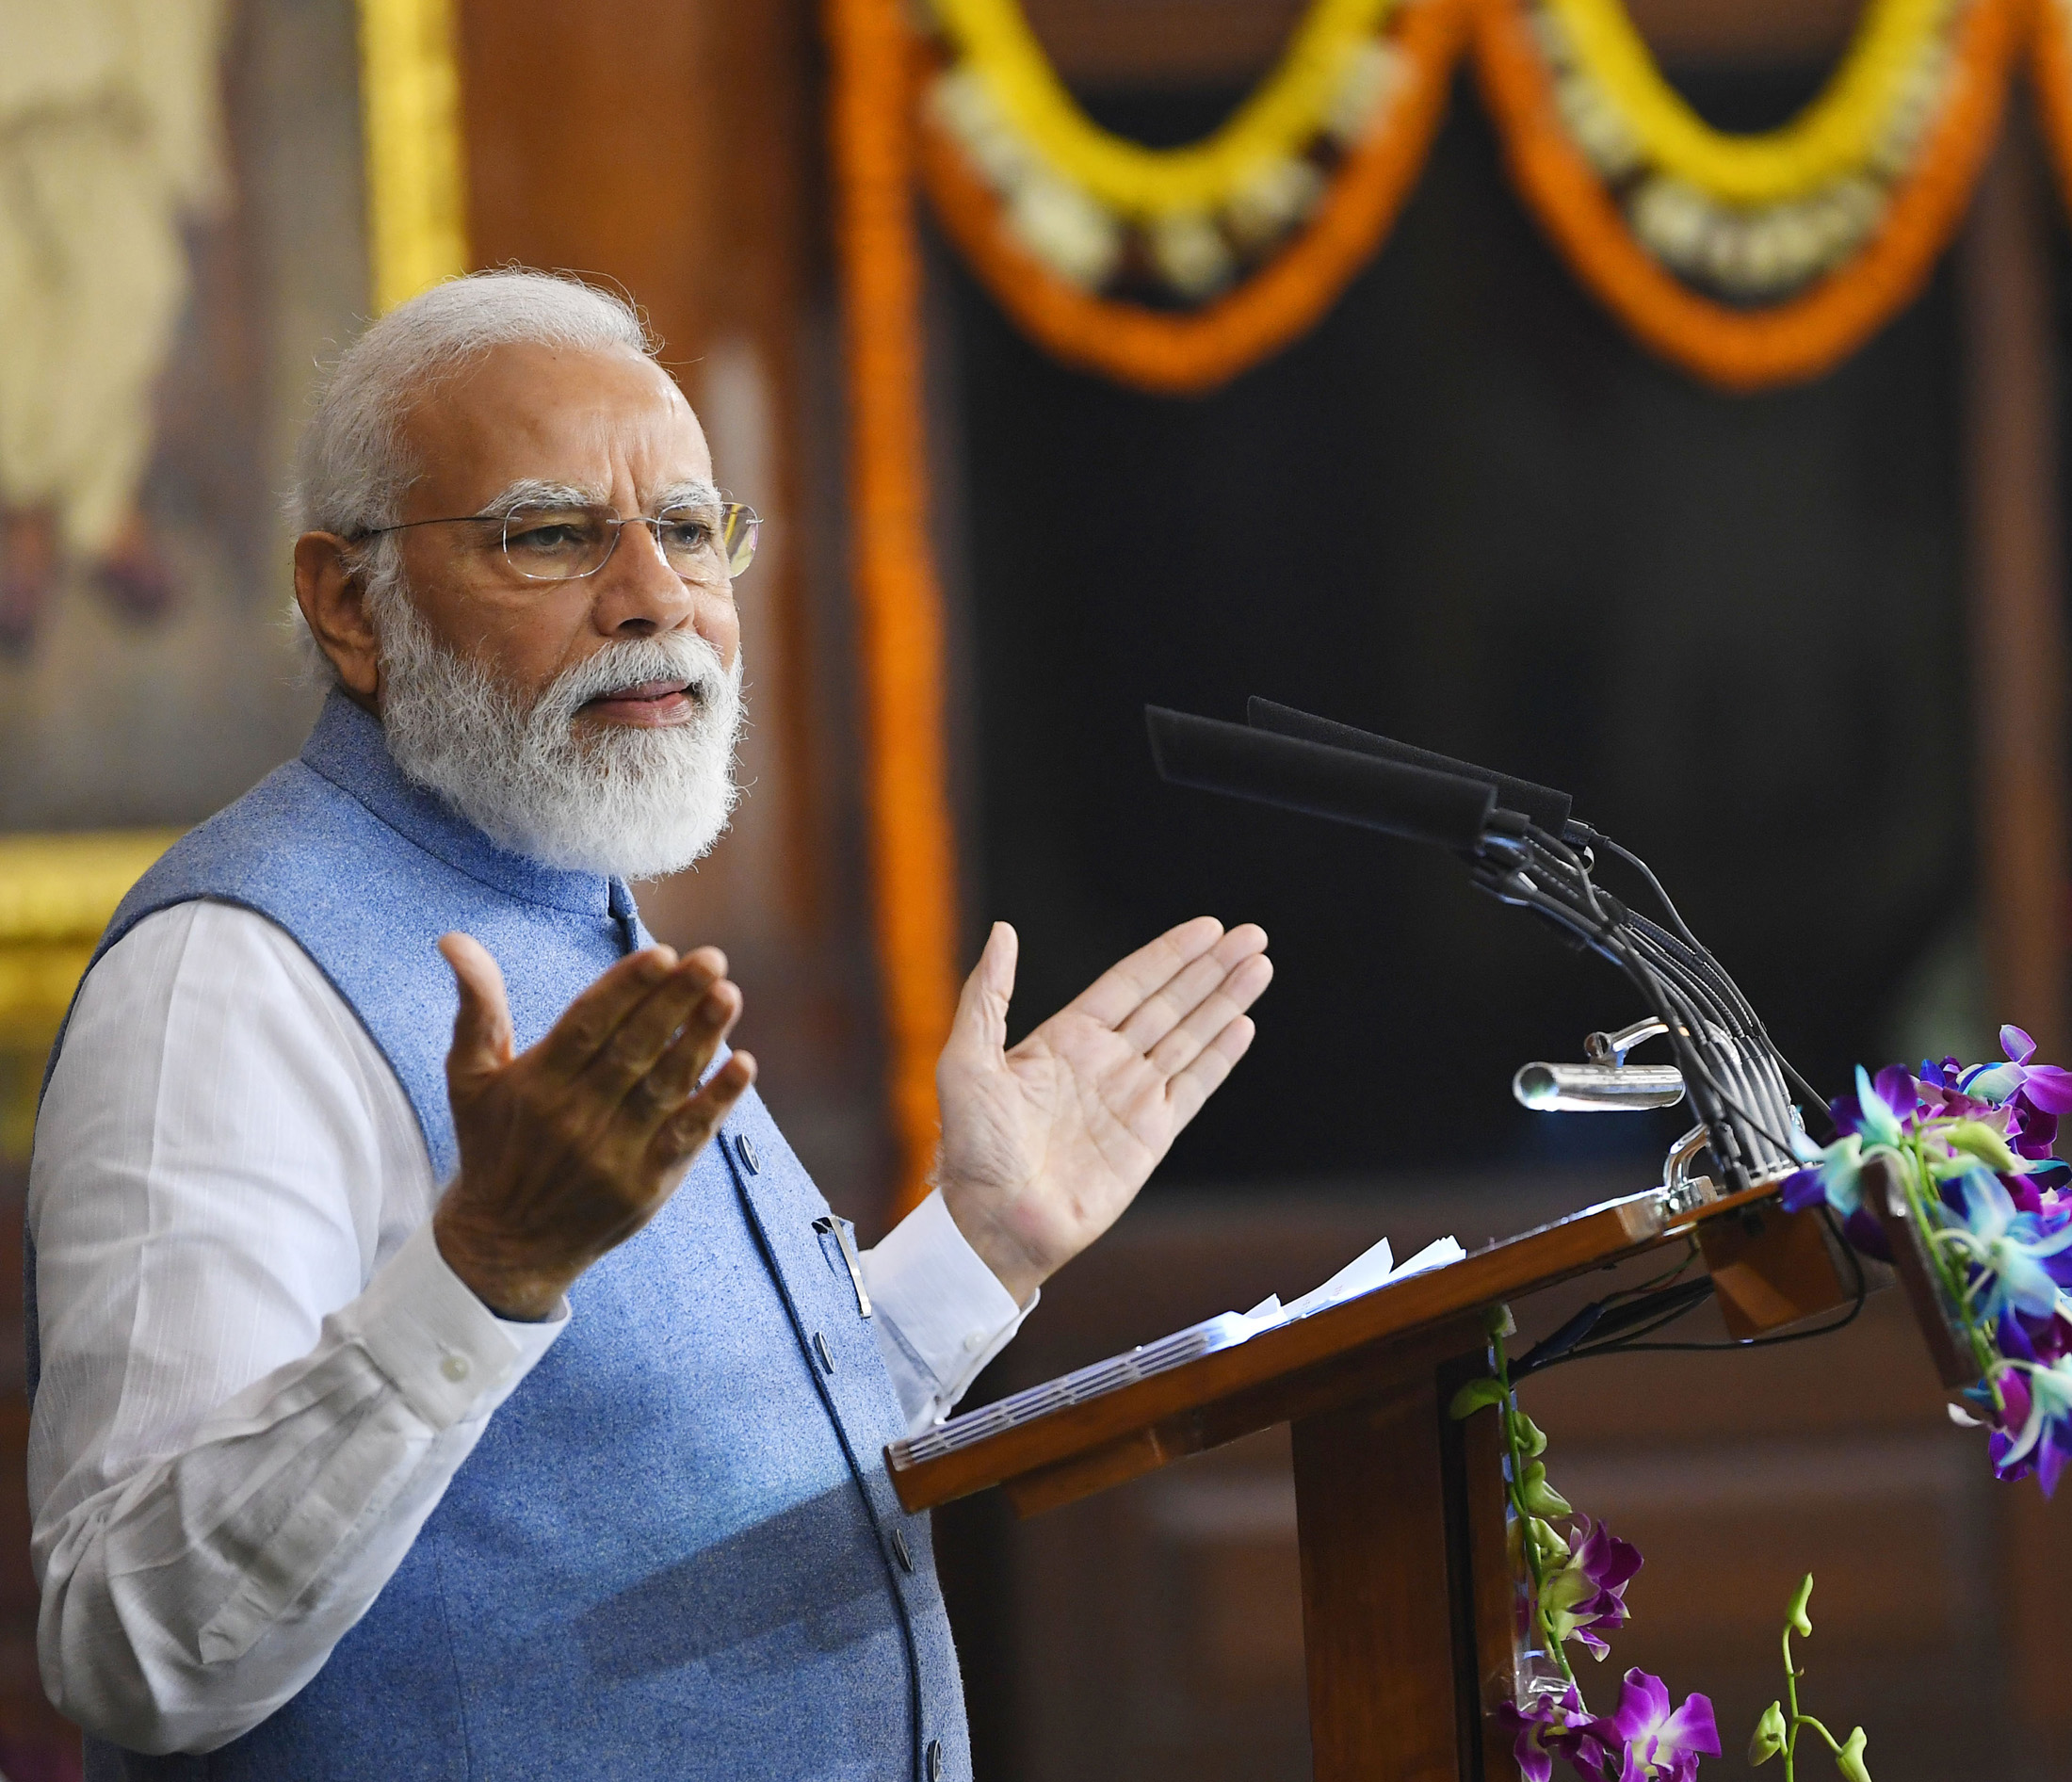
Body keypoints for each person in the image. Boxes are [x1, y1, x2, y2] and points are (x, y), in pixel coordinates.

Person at [25, 270, 1271, 1780]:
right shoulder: (228, 978)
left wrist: (981, 1247)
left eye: (690, 530)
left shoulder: (572, 898)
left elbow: (667, 1468)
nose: (655, 598)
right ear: (350, 605)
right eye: (552, 534)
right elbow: (132, 1647)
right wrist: (483, 1273)